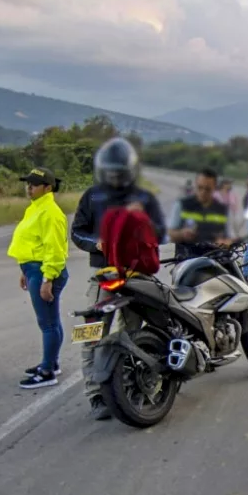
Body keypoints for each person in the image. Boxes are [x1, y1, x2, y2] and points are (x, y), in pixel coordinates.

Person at [70, 137, 167, 420]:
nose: (115, 176)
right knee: (89, 335)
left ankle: (134, 386)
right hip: (103, 276)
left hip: (137, 277)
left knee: (137, 332)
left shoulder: (144, 199)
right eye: (110, 170)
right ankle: (96, 394)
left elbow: (159, 233)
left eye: (119, 171)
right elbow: (77, 232)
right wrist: (97, 243)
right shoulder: (91, 196)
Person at [8, 167, 70, 389]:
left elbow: (54, 249)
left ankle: (47, 372)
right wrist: (25, 271)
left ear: (48, 187)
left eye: (33, 185)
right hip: (34, 269)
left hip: (45, 271)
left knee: (48, 323)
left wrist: (48, 279)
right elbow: (32, 244)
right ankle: (51, 363)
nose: (29, 188)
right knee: (50, 321)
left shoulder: (50, 213)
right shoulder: (36, 208)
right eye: (28, 184)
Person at [168, 167, 234, 260]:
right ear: (195, 185)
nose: (203, 192)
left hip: (215, 262)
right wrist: (182, 234)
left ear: (215, 188)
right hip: (187, 261)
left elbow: (229, 239)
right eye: (200, 187)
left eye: (208, 189)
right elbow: (171, 233)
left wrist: (224, 243)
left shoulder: (223, 210)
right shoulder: (182, 205)